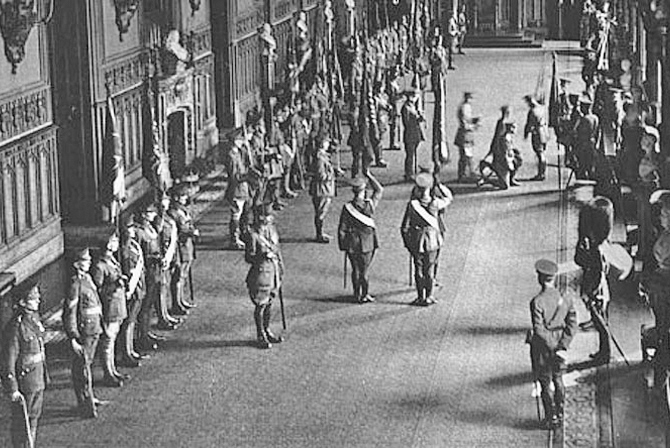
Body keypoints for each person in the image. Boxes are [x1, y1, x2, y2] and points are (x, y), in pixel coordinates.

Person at [529, 259, 577, 429]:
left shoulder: (537, 302)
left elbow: (539, 329)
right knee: (558, 378)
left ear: (540, 278)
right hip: (560, 344)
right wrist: (562, 345)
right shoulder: (565, 298)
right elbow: (572, 324)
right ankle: (560, 413)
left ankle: (551, 418)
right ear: (554, 278)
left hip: (543, 348)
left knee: (545, 382)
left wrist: (551, 345)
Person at [1, 284, 49, 447]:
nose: (38, 300)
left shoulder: (34, 319)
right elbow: (8, 360)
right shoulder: (15, 327)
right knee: (22, 423)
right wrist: (12, 388)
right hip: (25, 381)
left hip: (37, 378)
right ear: (22, 302)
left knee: (34, 418)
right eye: (33, 299)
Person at [62, 248, 105, 418]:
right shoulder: (75, 284)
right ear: (76, 264)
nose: (89, 262)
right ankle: (85, 403)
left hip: (94, 327)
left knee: (88, 364)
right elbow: (69, 313)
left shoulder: (87, 279)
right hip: (84, 331)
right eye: (85, 260)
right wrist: (73, 336)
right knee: (82, 368)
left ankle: (90, 396)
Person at [401, 173, 452, 306]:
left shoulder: (412, 205)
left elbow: (404, 227)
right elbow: (448, 197)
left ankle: (420, 297)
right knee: (429, 269)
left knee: (418, 269)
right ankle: (429, 296)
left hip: (416, 240)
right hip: (432, 239)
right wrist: (439, 185)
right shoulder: (436, 203)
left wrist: (408, 243)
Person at [574, 196, 613, 364]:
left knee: (601, 323)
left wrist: (589, 293)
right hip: (600, 288)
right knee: (601, 319)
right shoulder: (603, 243)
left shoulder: (596, 250)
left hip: (596, 290)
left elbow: (596, 272)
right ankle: (604, 352)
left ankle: (605, 354)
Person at [338, 170, 384, 303]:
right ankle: (365, 294)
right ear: (364, 190)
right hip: (367, 242)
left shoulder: (347, 207)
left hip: (352, 242)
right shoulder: (369, 205)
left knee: (355, 269)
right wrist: (369, 175)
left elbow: (342, 229)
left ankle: (356, 294)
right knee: (365, 270)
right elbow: (379, 190)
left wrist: (343, 245)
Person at [90, 230, 129, 388]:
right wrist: (115, 284)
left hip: (117, 306)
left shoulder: (111, 260)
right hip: (109, 307)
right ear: (107, 244)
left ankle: (113, 370)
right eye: (113, 240)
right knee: (107, 342)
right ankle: (107, 373)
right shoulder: (100, 266)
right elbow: (97, 291)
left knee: (112, 340)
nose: (116, 243)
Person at [245, 205, 285, 349]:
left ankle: (267, 330)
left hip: (273, 271)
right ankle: (260, 334)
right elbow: (248, 257)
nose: (268, 219)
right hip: (260, 274)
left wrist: (281, 268)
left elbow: (277, 249)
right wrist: (262, 256)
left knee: (269, 303)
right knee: (260, 305)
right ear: (258, 218)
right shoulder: (253, 235)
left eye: (269, 216)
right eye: (265, 217)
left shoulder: (272, 230)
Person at [118, 218, 145, 368]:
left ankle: (131, 349)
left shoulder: (134, 245)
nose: (133, 230)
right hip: (132, 289)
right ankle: (126, 352)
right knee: (128, 322)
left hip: (139, 287)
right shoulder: (125, 249)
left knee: (132, 320)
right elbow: (127, 269)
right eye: (130, 228)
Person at [169, 184, 199, 312]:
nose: (185, 198)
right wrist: (191, 232)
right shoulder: (173, 212)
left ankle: (181, 300)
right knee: (178, 275)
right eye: (182, 196)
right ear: (176, 197)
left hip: (188, 245)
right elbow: (178, 231)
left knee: (183, 275)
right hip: (180, 247)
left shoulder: (183, 210)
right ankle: (176, 303)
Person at [225, 128, 252, 250]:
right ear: (234, 141)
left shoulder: (239, 153)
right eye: (240, 140)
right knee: (236, 215)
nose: (242, 141)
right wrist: (247, 176)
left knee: (243, 214)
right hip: (236, 189)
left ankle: (242, 235)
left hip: (243, 189)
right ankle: (234, 239)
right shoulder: (231, 156)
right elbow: (234, 176)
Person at [310, 137, 336, 243]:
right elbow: (321, 175)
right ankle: (319, 234)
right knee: (320, 213)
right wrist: (331, 176)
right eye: (326, 142)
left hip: (323, 189)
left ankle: (321, 233)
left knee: (321, 212)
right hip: (322, 189)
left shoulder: (322, 156)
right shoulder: (320, 158)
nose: (328, 144)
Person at [523, 95, 550, 181]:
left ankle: (541, 174)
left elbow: (528, 124)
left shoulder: (532, 111)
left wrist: (526, 134)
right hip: (544, 132)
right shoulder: (542, 108)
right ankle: (542, 172)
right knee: (543, 153)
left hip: (537, 133)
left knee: (539, 154)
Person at [573, 97, 600, 180]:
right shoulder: (595, 118)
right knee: (591, 161)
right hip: (593, 142)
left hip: (584, 143)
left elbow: (578, 132)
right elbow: (598, 132)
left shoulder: (584, 119)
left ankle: (584, 177)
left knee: (583, 162)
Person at [401, 90, 425, 182]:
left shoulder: (413, 107)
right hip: (410, 133)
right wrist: (416, 119)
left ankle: (412, 172)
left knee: (413, 154)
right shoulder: (406, 108)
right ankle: (409, 173)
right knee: (410, 154)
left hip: (416, 132)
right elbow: (406, 122)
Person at [455, 92, 479, 181]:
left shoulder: (467, 107)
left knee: (468, 156)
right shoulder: (464, 107)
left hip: (468, 136)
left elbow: (468, 119)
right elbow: (464, 124)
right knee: (465, 156)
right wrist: (474, 126)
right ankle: (463, 175)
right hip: (464, 135)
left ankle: (467, 173)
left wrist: (474, 120)